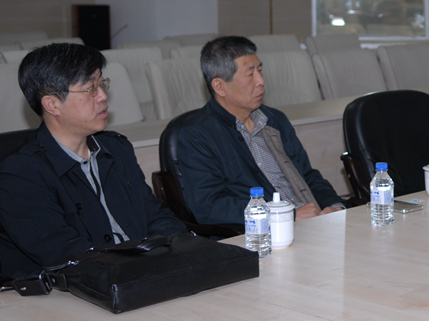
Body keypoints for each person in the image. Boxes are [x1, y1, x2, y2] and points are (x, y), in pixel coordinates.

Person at [0, 44, 186, 278]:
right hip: (78, 287)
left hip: (141, 273)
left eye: (101, 84)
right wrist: (139, 267)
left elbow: (153, 214)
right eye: (90, 89)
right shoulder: (21, 173)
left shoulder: (116, 148)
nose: (103, 96)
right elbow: (63, 253)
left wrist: (183, 247)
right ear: (52, 104)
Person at [176, 36, 344, 225]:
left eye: (260, 70)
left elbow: (307, 175)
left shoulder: (275, 120)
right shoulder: (197, 136)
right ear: (220, 86)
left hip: (313, 222)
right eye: (250, 74)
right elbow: (210, 207)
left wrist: (334, 206)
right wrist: (286, 216)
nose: (261, 81)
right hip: (264, 233)